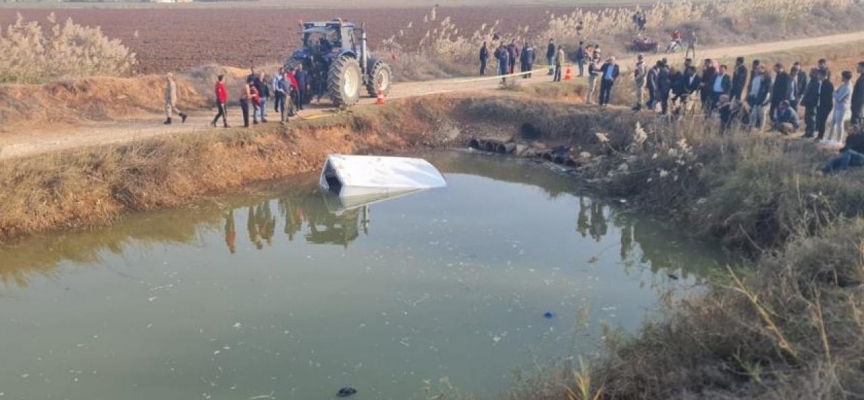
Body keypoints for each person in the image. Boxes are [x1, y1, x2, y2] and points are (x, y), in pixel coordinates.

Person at [826, 70, 853, 145]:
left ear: (845, 77)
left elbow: (838, 97)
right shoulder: (843, 85)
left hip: (842, 108)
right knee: (832, 122)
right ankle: (829, 138)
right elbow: (836, 92)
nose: (841, 78)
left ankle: (839, 140)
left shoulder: (847, 87)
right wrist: (835, 92)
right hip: (837, 106)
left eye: (842, 76)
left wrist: (834, 93)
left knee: (839, 124)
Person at [747, 63, 772, 131]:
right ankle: (753, 127)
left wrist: (765, 100)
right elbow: (753, 89)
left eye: (758, 68)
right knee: (753, 114)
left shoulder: (767, 77)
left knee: (762, 114)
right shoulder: (756, 78)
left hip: (764, 99)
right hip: (756, 99)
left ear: (763, 69)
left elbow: (768, 90)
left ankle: (761, 129)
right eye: (756, 69)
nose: (756, 70)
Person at [814, 69, 834, 142]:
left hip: (825, 106)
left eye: (819, 74)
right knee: (819, 120)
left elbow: (828, 97)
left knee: (822, 121)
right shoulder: (822, 83)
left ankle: (820, 136)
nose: (818, 76)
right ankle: (819, 135)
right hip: (821, 105)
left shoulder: (828, 84)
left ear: (822, 75)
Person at [801, 68, 821, 138]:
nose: (810, 73)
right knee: (807, 118)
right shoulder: (812, 81)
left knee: (810, 118)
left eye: (811, 72)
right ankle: (807, 132)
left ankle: (810, 132)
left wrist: (809, 101)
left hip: (812, 104)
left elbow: (814, 95)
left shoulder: (816, 83)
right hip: (808, 103)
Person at [851, 61, 864, 126]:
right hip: (857, 103)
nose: (857, 68)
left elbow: (861, 92)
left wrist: (856, 103)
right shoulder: (861, 77)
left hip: (858, 103)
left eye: (859, 67)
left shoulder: (863, 78)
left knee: (856, 120)